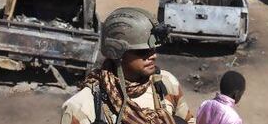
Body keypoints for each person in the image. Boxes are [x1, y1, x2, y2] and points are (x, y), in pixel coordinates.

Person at [61, 7, 194, 124]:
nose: (153, 56)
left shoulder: (166, 83)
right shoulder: (83, 106)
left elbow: (189, 120)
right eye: (143, 51)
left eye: (154, 49)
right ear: (118, 53)